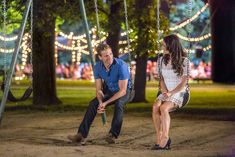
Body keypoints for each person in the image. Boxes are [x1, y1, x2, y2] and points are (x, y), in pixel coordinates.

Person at [67, 43, 132, 144]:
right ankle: (80, 135)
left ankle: (112, 135)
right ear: (100, 57)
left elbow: (122, 91)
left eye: (110, 54)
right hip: (110, 90)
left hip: (126, 91)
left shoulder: (121, 66)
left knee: (119, 104)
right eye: (106, 55)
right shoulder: (97, 67)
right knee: (93, 104)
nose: (109, 57)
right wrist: (100, 102)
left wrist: (105, 103)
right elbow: (99, 89)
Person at [152, 34, 190, 150]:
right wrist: (165, 92)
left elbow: (183, 83)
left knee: (164, 108)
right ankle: (159, 134)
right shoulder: (161, 60)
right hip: (165, 90)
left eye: (164, 45)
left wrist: (171, 93)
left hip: (180, 91)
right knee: (155, 107)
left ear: (171, 46)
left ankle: (165, 137)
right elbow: (161, 80)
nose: (163, 47)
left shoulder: (185, 61)